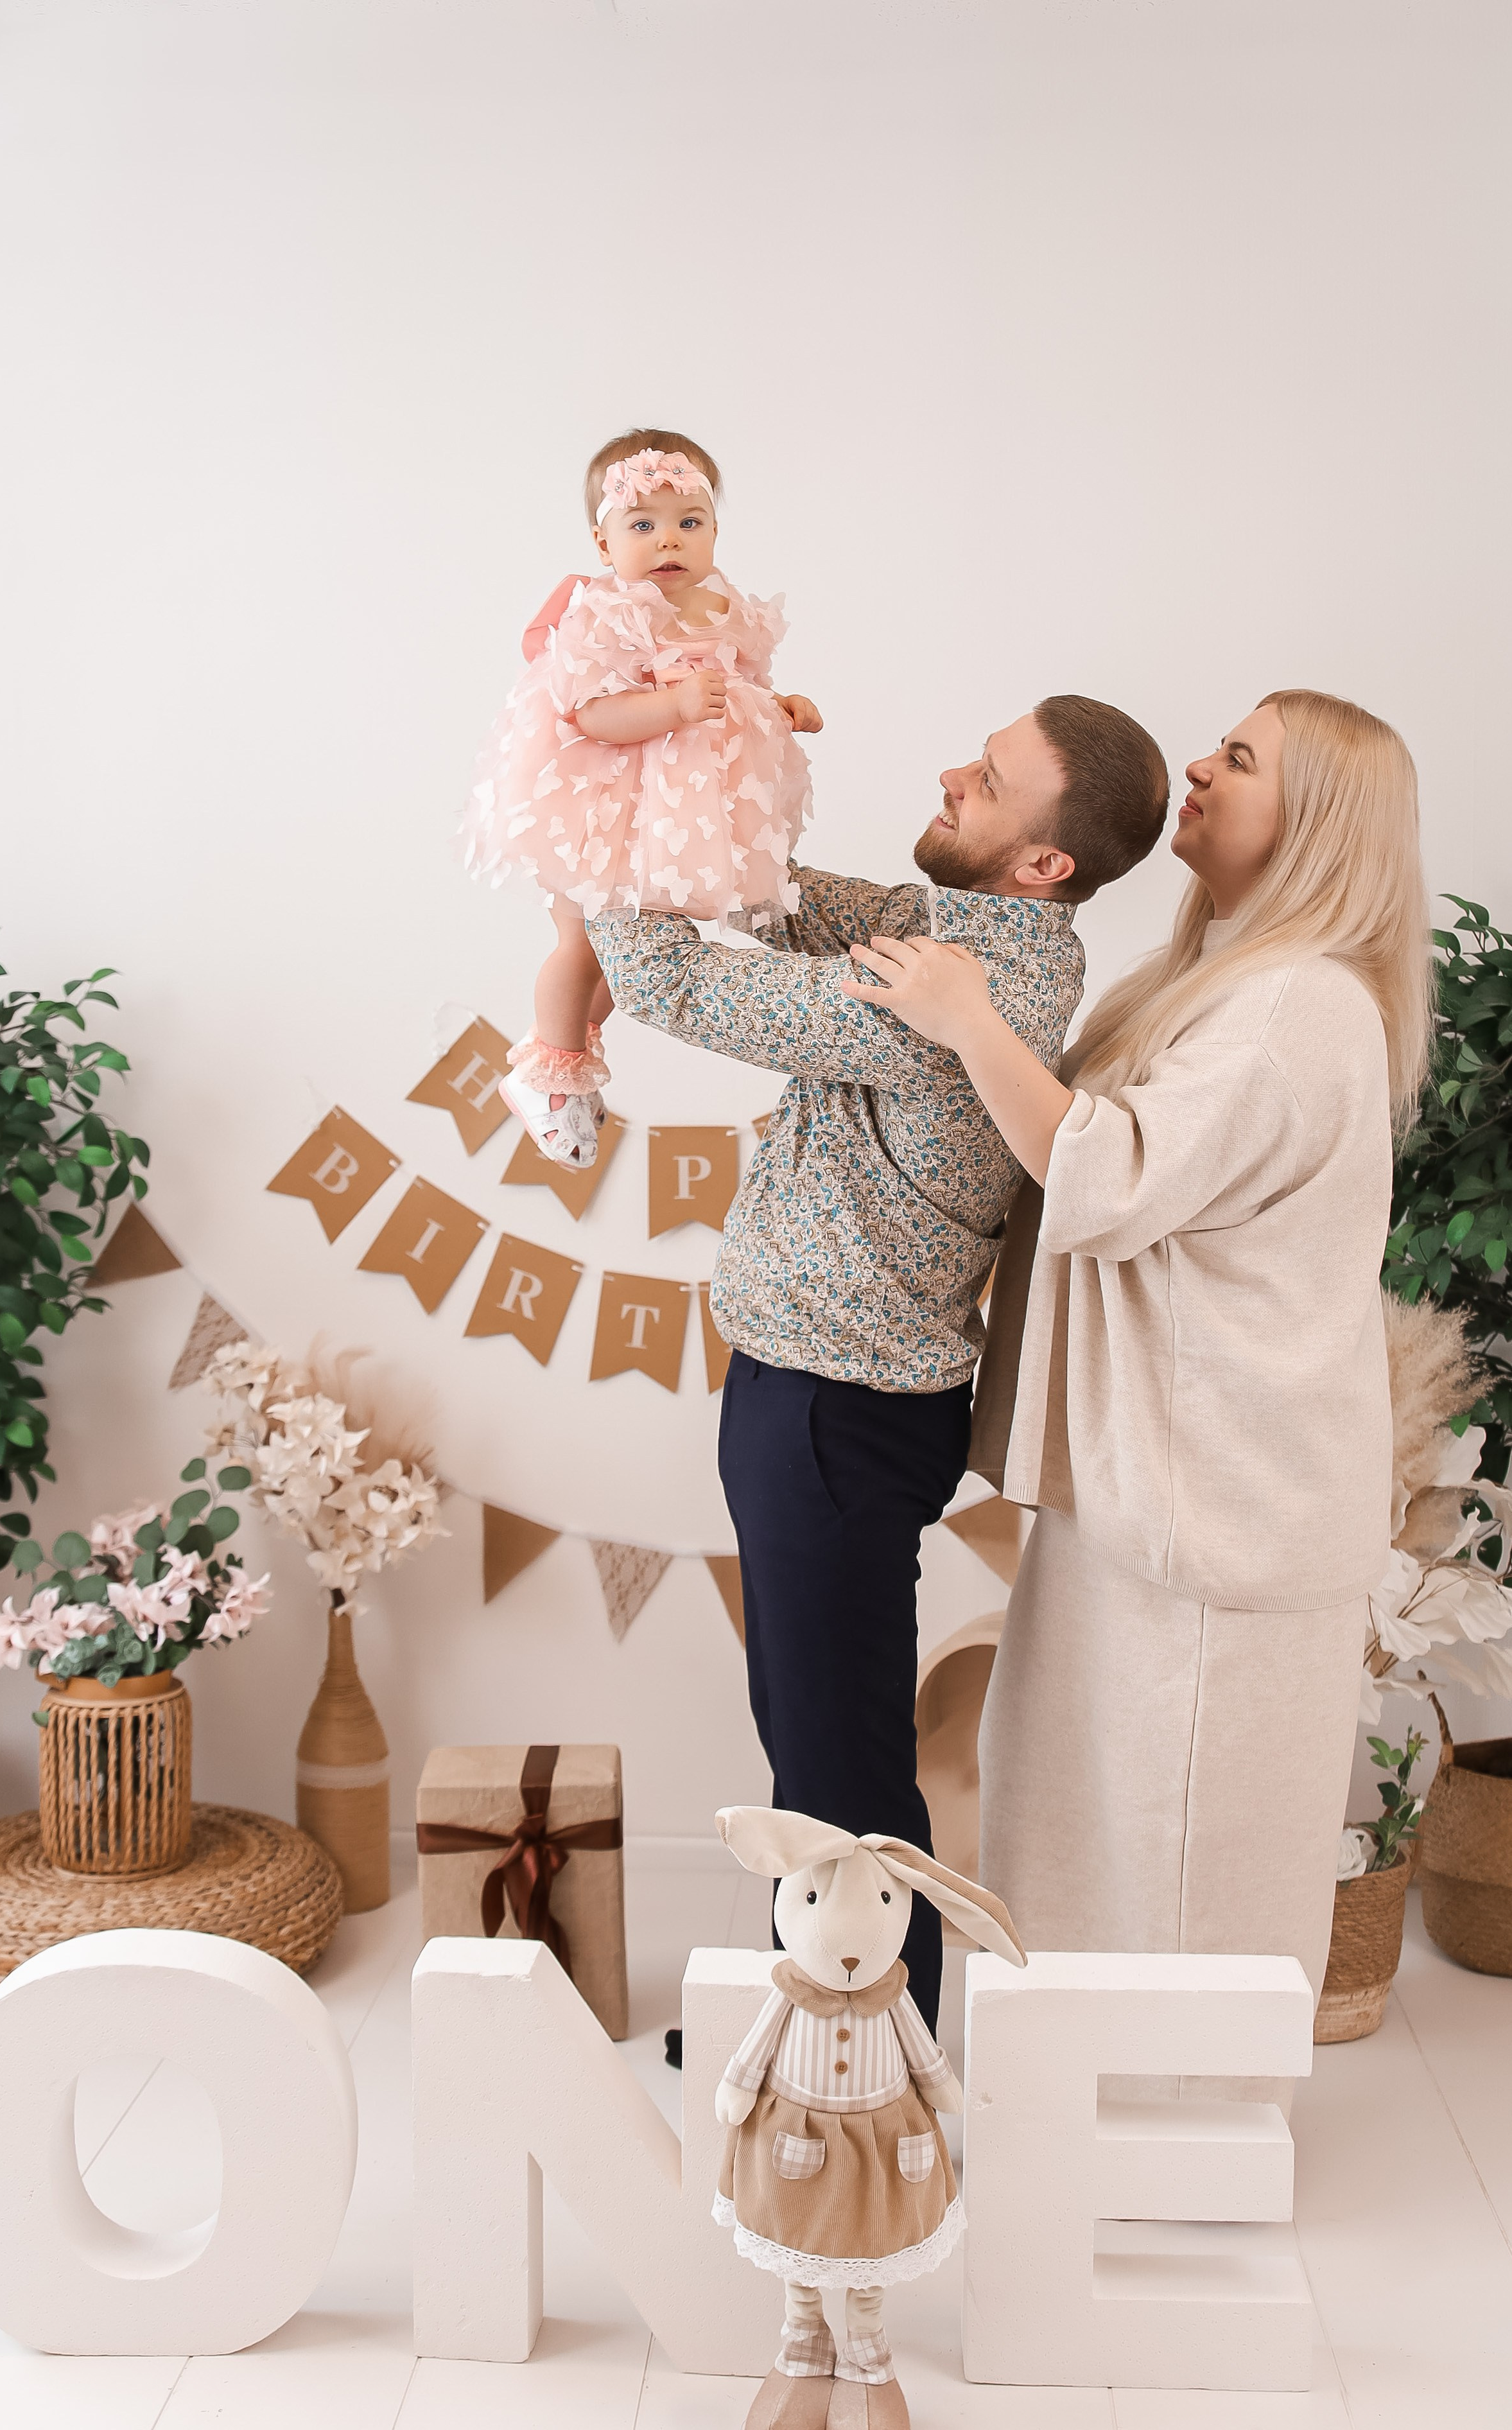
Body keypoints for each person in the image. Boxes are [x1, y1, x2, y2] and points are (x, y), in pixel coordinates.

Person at [842, 689, 1432, 2035]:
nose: (1199, 770)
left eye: (1239, 758)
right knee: (1076, 1822)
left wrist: (960, 1012)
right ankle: (1078, 2113)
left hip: (1220, 1514)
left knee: (1181, 1858)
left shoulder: (1293, 1008)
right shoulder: (1202, 979)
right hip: (1146, 1493)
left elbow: (1099, 1172)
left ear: (1318, 822)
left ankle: (1162, 2139)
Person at [594, 697, 1170, 2029]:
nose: (948, 777)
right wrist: (696, 776)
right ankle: (830, 2006)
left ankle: (873, 2042)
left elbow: (670, 983)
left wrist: (591, 840)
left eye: (986, 777)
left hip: (830, 1415)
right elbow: (791, 899)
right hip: (820, 1399)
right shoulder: (961, 939)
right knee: (813, 1732)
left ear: (1044, 864)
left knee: (835, 1752)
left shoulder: (967, 994)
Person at [460, 427, 822, 1169]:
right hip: (595, 808)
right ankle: (547, 1077)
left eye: (689, 522)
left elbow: (736, 692)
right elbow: (590, 713)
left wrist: (781, 706)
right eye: (642, 524)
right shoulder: (605, 612)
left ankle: (566, 1054)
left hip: (673, 817)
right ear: (603, 543)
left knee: (626, 959)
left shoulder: (727, 613)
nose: (669, 541)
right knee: (578, 941)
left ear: (715, 530)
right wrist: (675, 707)